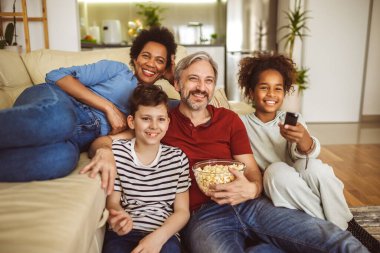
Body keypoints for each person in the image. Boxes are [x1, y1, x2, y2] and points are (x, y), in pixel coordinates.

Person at [88, 51, 369, 253]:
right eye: (194, 79)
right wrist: (102, 151)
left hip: (252, 206)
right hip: (202, 217)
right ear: (177, 83)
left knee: (334, 240)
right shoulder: (161, 121)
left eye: (209, 81)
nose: (201, 87)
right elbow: (112, 140)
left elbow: (250, 169)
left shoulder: (229, 119)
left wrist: (252, 188)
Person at [0, 26, 176, 188]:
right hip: (55, 103)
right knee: (61, 120)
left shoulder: (153, 105)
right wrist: (108, 107)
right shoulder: (117, 70)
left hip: (74, 138)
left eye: (160, 61)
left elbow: (190, 107)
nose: (151, 64)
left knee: (63, 159)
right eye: (146, 56)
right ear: (136, 58)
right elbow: (56, 76)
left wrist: (173, 78)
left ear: (164, 68)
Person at [237, 53, 380, 252]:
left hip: (301, 182)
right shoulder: (240, 124)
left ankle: (348, 225)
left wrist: (301, 138)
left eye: (278, 88)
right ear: (251, 92)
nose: (271, 94)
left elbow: (305, 156)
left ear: (284, 92)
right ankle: (337, 230)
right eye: (264, 88)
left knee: (316, 168)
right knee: (276, 170)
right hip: (277, 186)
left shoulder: (291, 119)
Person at [102, 84, 190, 253]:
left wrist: (159, 237)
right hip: (124, 234)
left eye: (161, 119)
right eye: (146, 118)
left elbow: (182, 212)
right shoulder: (118, 152)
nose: (154, 126)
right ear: (131, 122)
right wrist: (118, 216)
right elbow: (113, 202)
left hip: (164, 234)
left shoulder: (178, 158)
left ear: (168, 122)